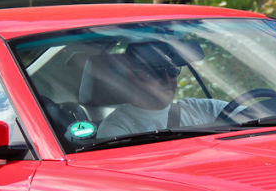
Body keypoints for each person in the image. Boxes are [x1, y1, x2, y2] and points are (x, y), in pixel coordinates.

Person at [96, 43, 227, 139]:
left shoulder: (205, 109)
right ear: (132, 77)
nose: (167, 79)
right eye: (156, 72)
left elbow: (247, 116)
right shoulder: (116, 129)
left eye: (172, 71)